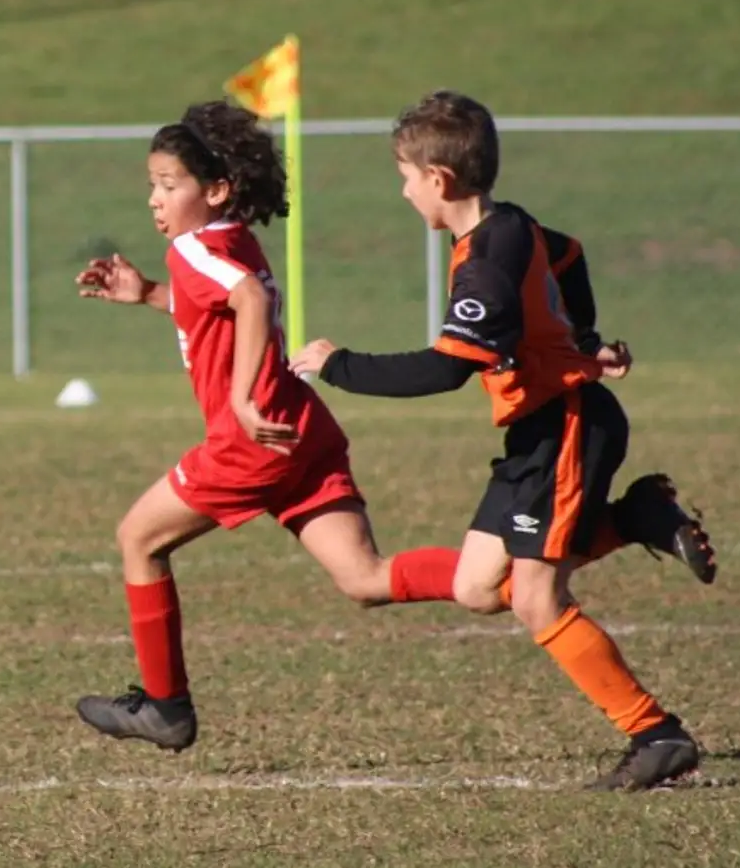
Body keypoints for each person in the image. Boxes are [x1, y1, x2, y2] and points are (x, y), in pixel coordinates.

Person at [291, 90, 716, 790]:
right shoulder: (511, 226)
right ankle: (635, 517)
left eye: (403, 175)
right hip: (541, 429)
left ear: (438, 179)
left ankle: (655, 731)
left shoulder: (484, 262)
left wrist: (336, 363)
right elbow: (570, 256)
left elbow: (445, 368)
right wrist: (581, 338)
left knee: (535, 600)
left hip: (566, 427)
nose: (401, 190)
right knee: (476, 584)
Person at [72, 101, 464, 754]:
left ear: (216, 188)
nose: (154, 199)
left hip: (252, 439)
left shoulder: (192, 249)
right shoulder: (229, 238)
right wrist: (146, 295)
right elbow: (222, 304)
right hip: (301, 429)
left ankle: (165, 707)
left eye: (170, 185)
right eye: (153, 184)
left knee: (137, 538)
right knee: (364, 577)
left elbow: (247, 300)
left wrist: (243, 399)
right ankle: (508, 573)